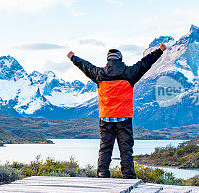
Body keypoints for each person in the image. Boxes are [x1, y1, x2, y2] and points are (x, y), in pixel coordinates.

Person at [67, 43, 167, 179]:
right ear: (120, 59)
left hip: (105, 118)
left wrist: (73, 57)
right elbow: (145, 63)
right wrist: (159, 51)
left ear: (108, 60)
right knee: (126, 150)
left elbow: (85, 66)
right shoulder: (130, 73)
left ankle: (103, 175)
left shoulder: (99, 74)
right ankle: (128, 177)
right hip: (124, 118)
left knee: (105, 148)